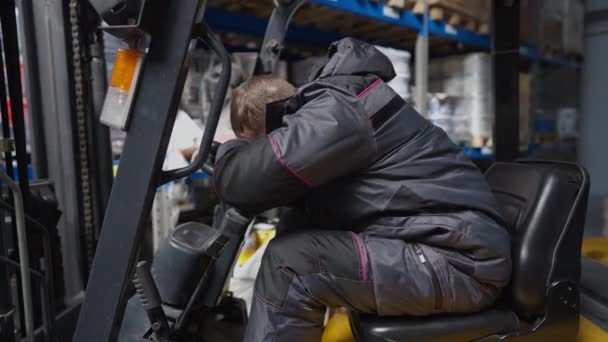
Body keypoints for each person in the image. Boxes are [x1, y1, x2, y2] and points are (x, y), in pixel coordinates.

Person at [213, 38, 511, 342]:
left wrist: (228, 152)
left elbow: (241, 185)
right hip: (443, 250)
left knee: (289, 265)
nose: (260, 152)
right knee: (295, 229)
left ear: (274, 126)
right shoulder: (338, 107)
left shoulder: (338, 111)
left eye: (257, 145)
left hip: (459, 265)